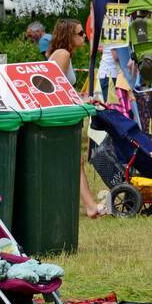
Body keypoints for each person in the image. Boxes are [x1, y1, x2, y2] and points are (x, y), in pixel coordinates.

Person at [47, 18, 106, 218]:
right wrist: (81, 102)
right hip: (56, 117)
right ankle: (89, 206)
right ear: (69, 35)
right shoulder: (62, 55)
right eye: (81, 33)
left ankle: (87, 206)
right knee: (74, 160)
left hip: (59, 115)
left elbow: (63, 89)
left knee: (75, 160)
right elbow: (55, 90)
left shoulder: (64, 55)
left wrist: (84, 99)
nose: (84, 36)